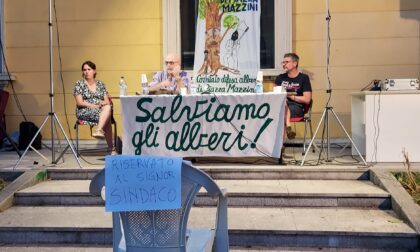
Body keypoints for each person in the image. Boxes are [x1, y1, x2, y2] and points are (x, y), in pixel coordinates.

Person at [73, 60, 114, 153]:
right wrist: (93, 105)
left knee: (107, 108)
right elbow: (80, 102)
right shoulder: (79, 84)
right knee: (106, 116)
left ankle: (99, 130)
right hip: (84, 111)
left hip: (100, 110)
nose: (86, 72)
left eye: (89, 69)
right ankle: (111, 148)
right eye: (84, 70)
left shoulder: (100, 84)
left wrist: (102, 103)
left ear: (94, 71)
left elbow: (107, 101)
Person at [274, 53, 312, 140]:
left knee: (281, 112)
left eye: (286, 62)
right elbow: (275, 95)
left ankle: (280, 148)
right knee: (281, 107)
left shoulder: (303, 78)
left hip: (297, 107)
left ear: (295, 63)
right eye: (283, 62)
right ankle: (288, 127)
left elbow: (307, 99)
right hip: (282, 106)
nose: (284, 64)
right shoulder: (280, 78)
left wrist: (291, 97)